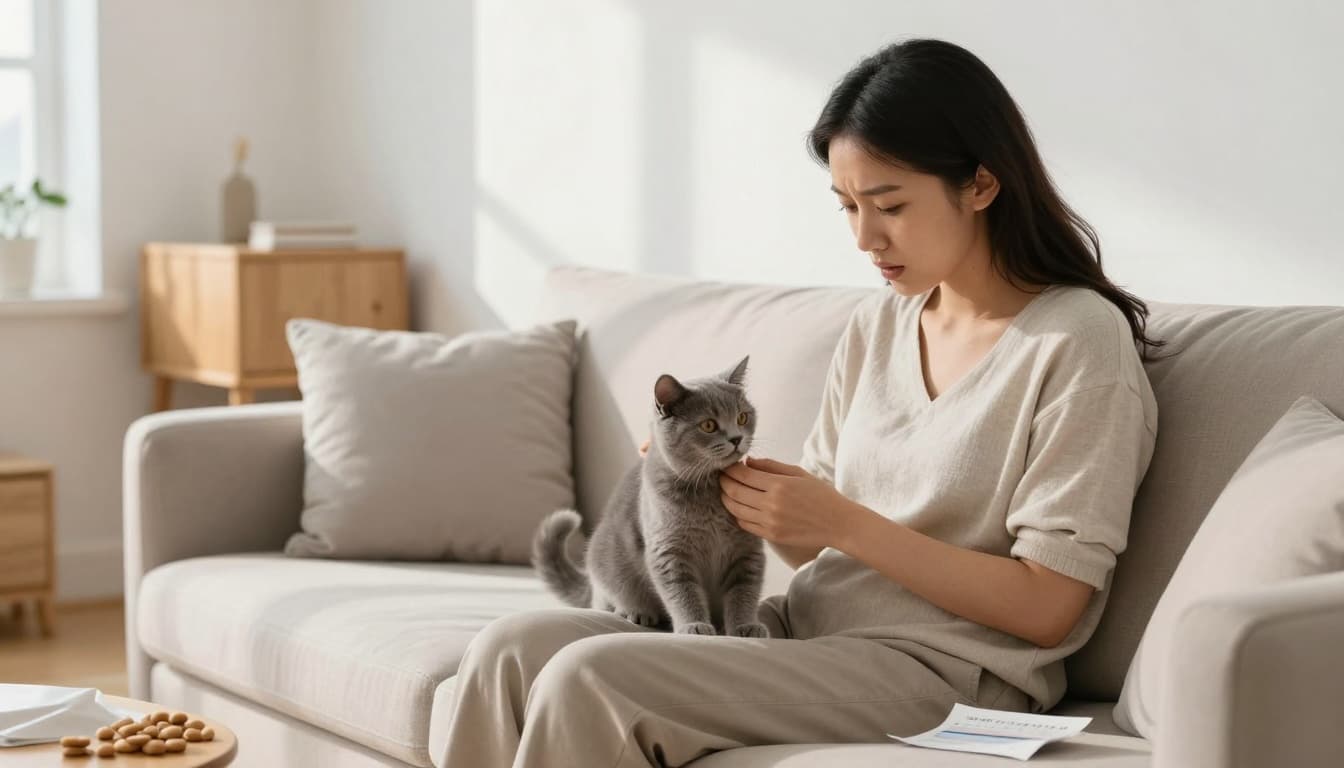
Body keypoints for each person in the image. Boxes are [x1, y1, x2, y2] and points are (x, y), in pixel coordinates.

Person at [439, 38, 1161, 768]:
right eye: (847, 205)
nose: (863, 237)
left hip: (949, 677)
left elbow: (1047, 608)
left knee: (589, 679)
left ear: (980, 184)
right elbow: (810, 549)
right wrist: (730, 487)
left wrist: (842, 521)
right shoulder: (881, 324)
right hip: (805, 632)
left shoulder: (1077, 342)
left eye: (890, 205)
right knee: (510, 651)